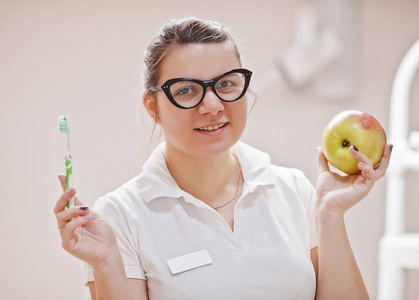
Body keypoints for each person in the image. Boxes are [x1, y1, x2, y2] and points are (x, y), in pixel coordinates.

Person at [54, 16, 392, 300]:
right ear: (152, 107)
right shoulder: (120, 215)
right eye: (186, 90)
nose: (212, 105)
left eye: (227, 84)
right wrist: (108, 263)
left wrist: (329, 213)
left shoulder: (295, 190)